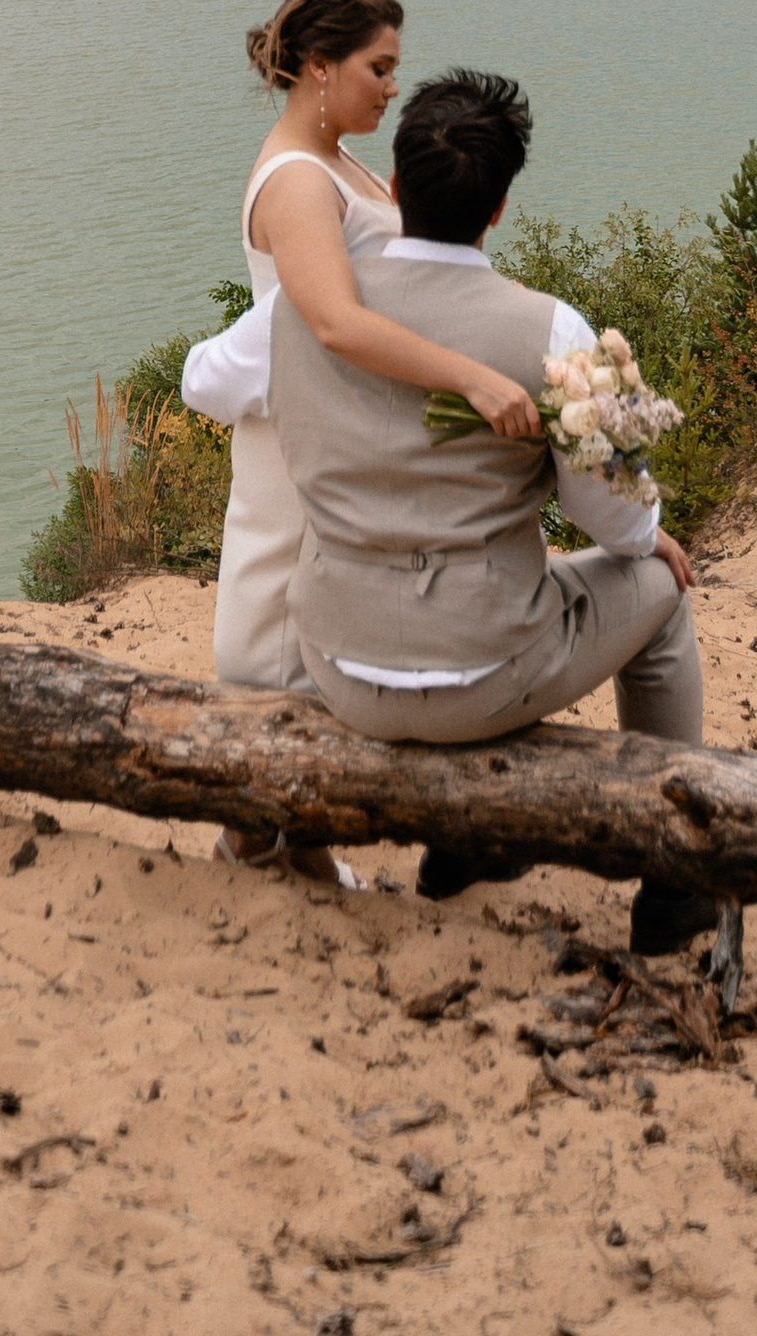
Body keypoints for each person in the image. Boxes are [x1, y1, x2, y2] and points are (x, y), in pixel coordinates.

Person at [268, 64, 714, 957]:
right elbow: (609, 520)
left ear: (393, 189)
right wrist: (648, 531)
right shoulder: (549, 330)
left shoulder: (306, 308)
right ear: (501, 207)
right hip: (481, 675)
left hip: (337, 664)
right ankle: (675, 883)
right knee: (659, 592)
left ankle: (464, 849)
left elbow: (214, 384)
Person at [179, 0, 539, 874]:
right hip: (303, 433)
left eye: (393, 71)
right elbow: (334, 322)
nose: (389, 89)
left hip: (343, 421)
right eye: (378, 69)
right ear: (317, 67)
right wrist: (472, 375)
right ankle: (251, 837)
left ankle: (289, 841)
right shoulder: (298, 179)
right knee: (275, 627)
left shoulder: (335, 159)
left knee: (318, 620)